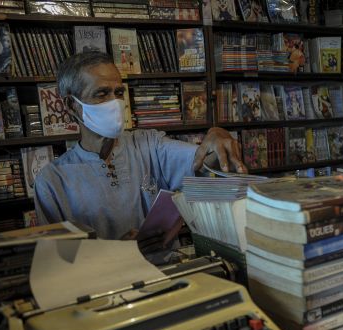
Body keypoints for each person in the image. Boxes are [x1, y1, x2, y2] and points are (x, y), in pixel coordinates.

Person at [33, 51, 246, 242]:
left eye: (118, 93)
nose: (115, 103)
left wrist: (218, 137)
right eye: (102, 93)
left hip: (164, 275)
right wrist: (120, 253)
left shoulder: (149, 144)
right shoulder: (52, 182)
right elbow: (59, 262)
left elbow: (204, 162)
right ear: (72, 106)